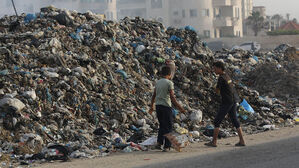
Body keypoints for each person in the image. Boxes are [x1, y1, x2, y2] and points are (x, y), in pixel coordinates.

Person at [205, 61, 245, 147]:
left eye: (215, 68)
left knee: (217, 121)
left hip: (227, 102)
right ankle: (242, 140)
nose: (214, 70)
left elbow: (217, 91)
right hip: (233, 100)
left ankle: (214, 142)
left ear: (220, 68)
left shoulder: (221, 78)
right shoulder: (227, 76)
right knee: (235, 120)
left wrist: (214, 89)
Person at [149, 66, 186, 151]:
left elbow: (154, 95)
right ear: (169, 75)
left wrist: (151, 106)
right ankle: (167, 146)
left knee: (162, 125)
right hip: (166, 107)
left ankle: (159, 143)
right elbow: (172, 97)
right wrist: (180, 108)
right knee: (168, 126)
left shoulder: (158, 82)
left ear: (162, 74)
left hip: (158, 106)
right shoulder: (169, 83)